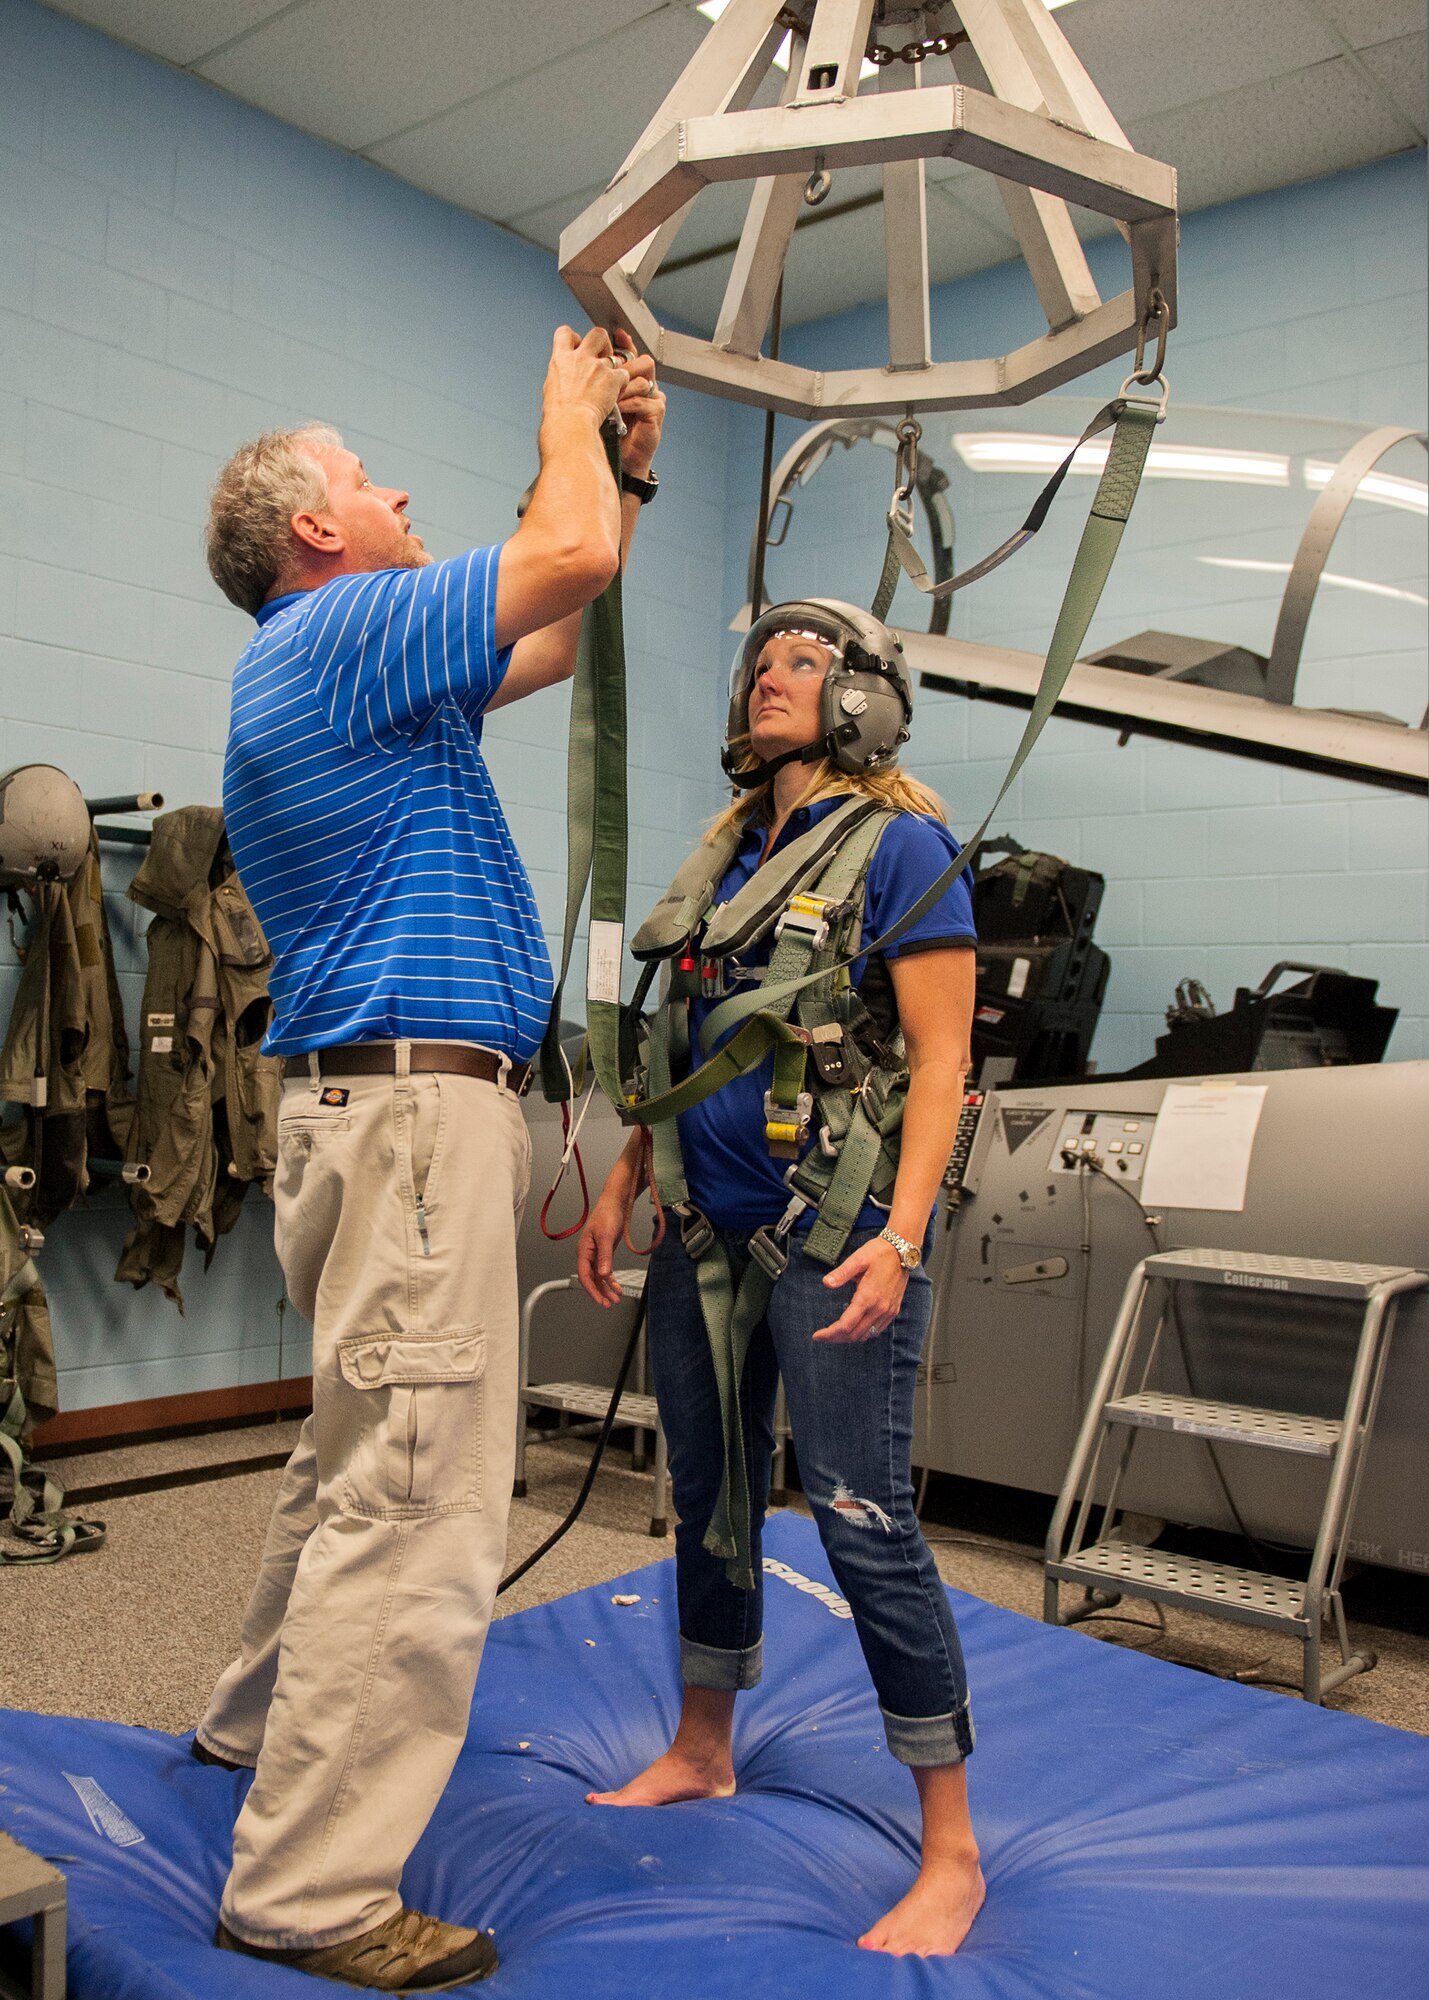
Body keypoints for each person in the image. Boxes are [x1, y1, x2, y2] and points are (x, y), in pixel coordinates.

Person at [193, 325, 665, 1993]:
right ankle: (312, 1891)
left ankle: (250, 1729)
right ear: (316, 529)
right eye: (370, 478)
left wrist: (621, 461)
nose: (398, 493)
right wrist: (565, 417)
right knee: (417, 1503)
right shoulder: (339, 628)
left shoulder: (347, 663)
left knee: (352, 1454)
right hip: (402, 1120)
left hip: (360, 1113)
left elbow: (562, 603)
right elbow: (565, 549)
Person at [577, 599, 984, 1959]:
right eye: (759, 661)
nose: (770, 677)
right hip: (702, 1229)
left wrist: (905, 1230)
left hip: (837, 1235)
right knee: (706, 1496)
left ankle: (951, 1850)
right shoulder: (727, 856)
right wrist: (632, 1174)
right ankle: (702, 1745)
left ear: (865, 697)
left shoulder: (902, 845)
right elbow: (688, 1029)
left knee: (864, 1517)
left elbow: (941, 1063)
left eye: (802, 663)